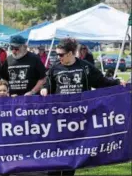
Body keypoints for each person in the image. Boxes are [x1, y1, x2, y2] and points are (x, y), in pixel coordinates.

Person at [40, 38, 126, 176]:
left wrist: (117, 82)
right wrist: (45, 89)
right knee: (55, 151)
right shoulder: (55, 68)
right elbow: (49, 85)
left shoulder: (85, 67)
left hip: (78, 117)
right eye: (57, 55)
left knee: (72, 152)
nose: (58, 57)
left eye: (61, 54)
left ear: (70, 53)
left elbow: (101, 81)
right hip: (59, 116)